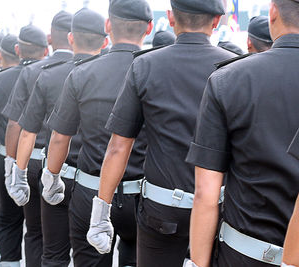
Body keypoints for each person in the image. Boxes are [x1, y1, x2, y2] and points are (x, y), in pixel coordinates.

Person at [92, 0, 234, 266]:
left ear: (170, 17)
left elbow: (118, 146)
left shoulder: (145, 65)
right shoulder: (235, 68)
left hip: (161, 210)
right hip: (216, 209)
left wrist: (101, 210)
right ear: (216, 21)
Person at [185, 0, 299, 266]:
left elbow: (206, 192)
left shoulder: (229, 79)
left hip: (243, 253)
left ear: (272, 13)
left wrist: (197, 262)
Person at [46, 0, 152, 265]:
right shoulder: (157, 71)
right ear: (148, 28)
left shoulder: (83, 73)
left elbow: (60, 136)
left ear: (108, 25)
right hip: (143, 196)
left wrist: (52, 179)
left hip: (90, 191)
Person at [13, 8, 106, 267]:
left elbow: (28, 130)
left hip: (57, 172)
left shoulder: (49, 73)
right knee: (92, 256)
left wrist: (19, 174)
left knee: (52, 252)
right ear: (104, 40)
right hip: (97, 178)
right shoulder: (113, 75)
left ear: (72, 38)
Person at [1, 11, 74, 267]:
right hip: (80, 164)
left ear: (50, 38)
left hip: (35, 160)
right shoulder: (89, 69)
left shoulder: (34, 72)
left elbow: (16, 124)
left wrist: (13, 165)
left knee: (36, 234)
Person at [0, 27, 48, 267]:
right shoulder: (54, 74)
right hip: (49, 162)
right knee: (40, 229)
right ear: (46, 50)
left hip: (8, 156)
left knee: (9, 219)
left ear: (17, 49)